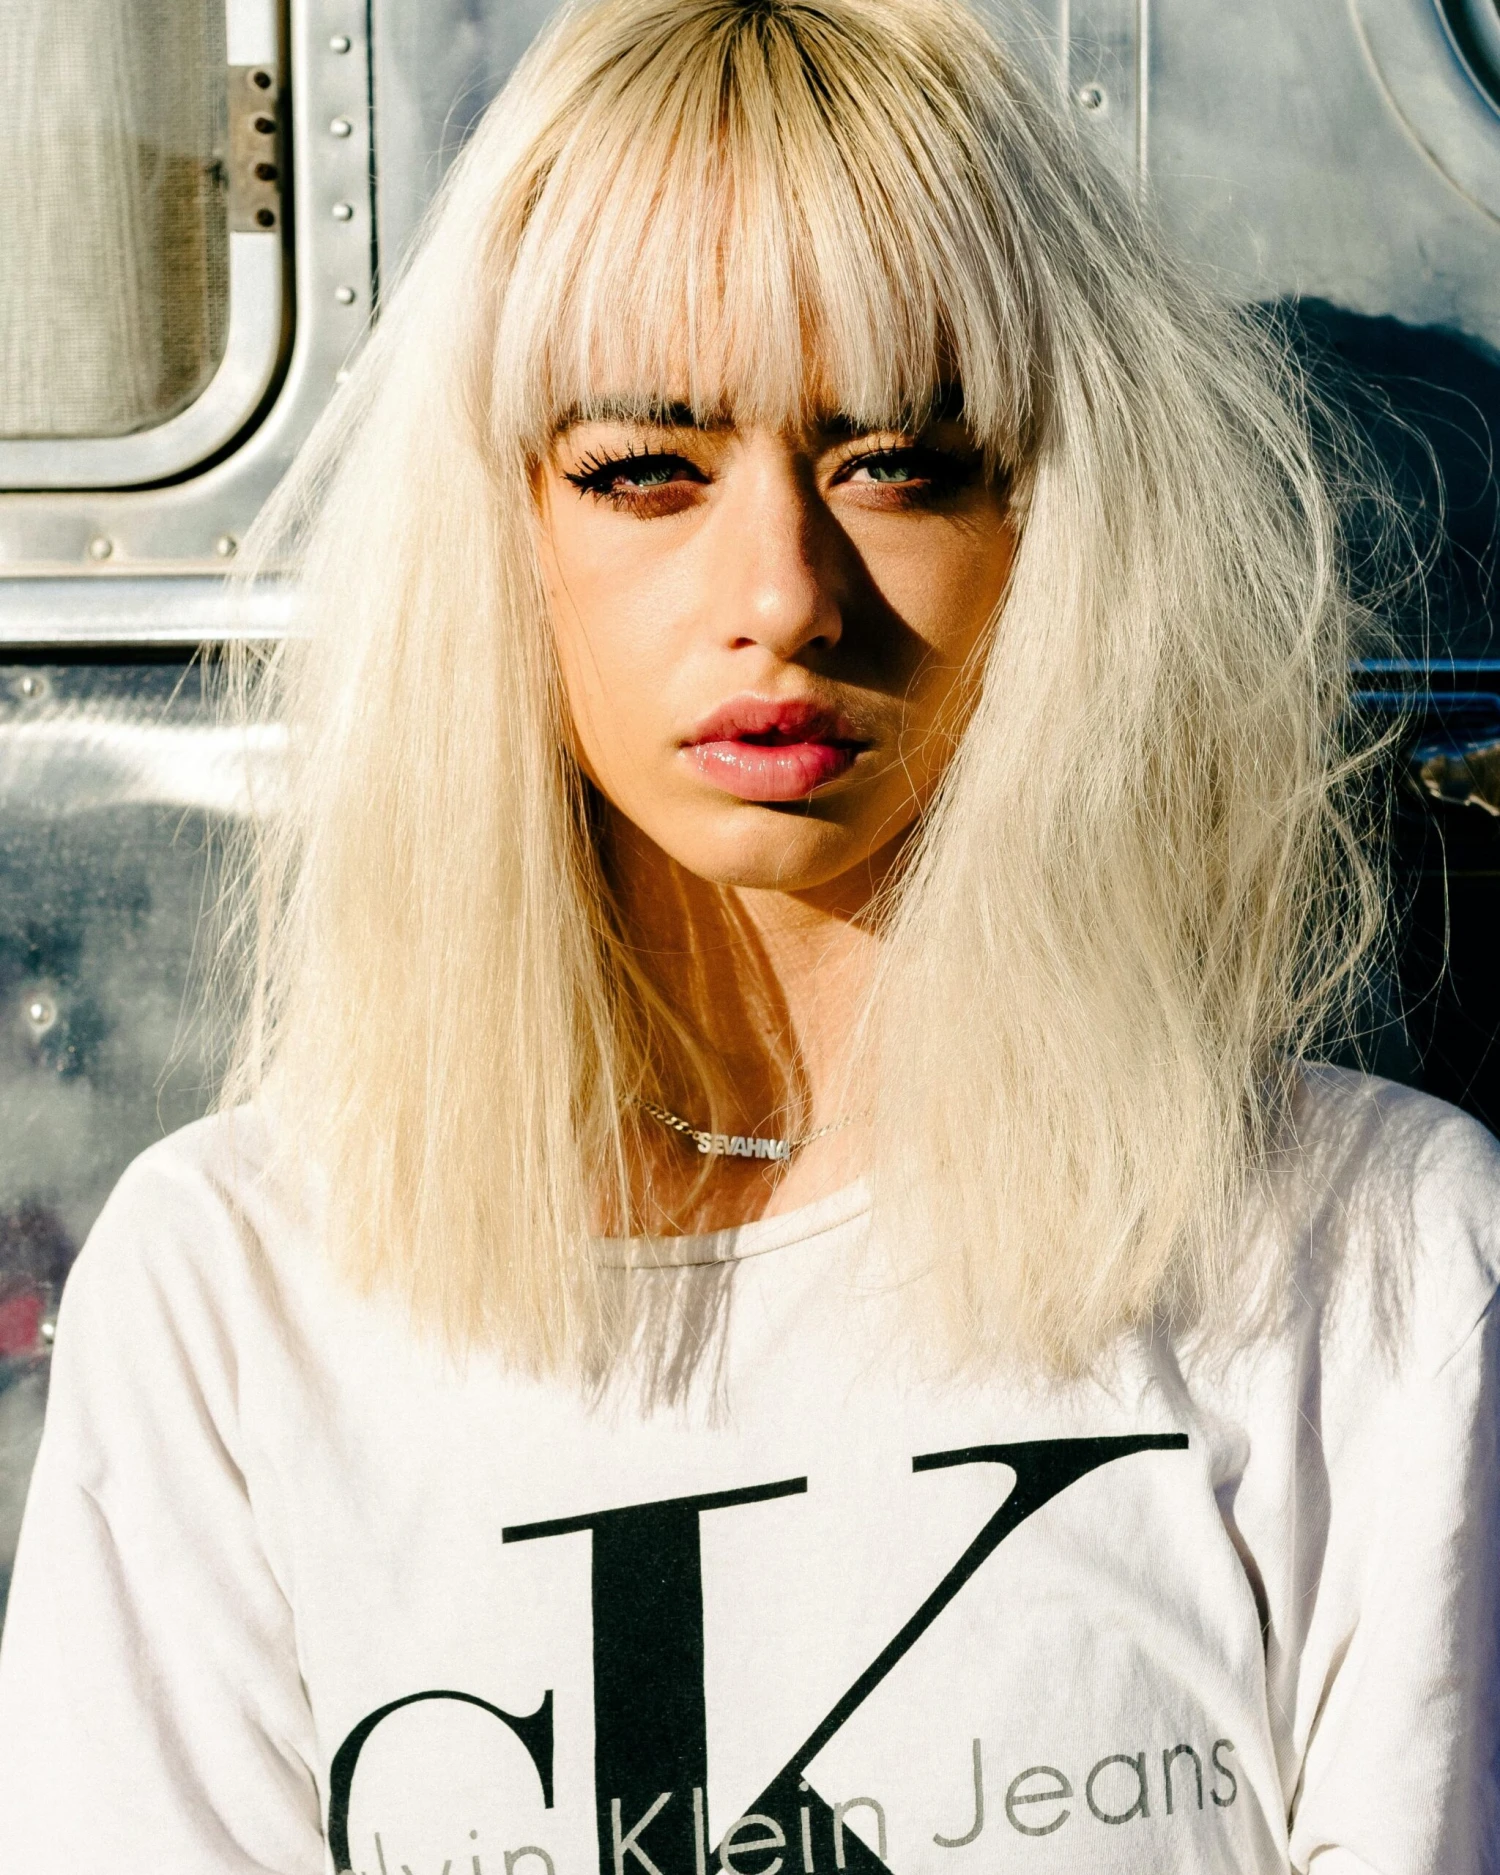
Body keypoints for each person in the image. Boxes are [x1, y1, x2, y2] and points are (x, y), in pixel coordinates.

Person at [1, 0, 1496, 1868]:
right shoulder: (235, 1293)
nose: (784, 593)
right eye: (644, 470)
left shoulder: (1368, 1255)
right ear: (506, 537)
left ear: (1056, 522)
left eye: (899, 460)